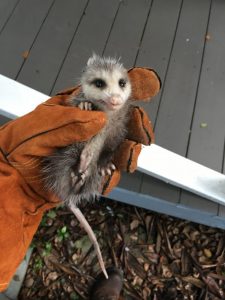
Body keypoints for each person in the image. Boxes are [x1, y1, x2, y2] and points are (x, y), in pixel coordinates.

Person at [0, 67, 160, 297]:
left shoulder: (115, 112)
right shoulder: (89, 101)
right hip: (67, 163)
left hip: (76, 164)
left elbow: (109, 143)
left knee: (101, 154)